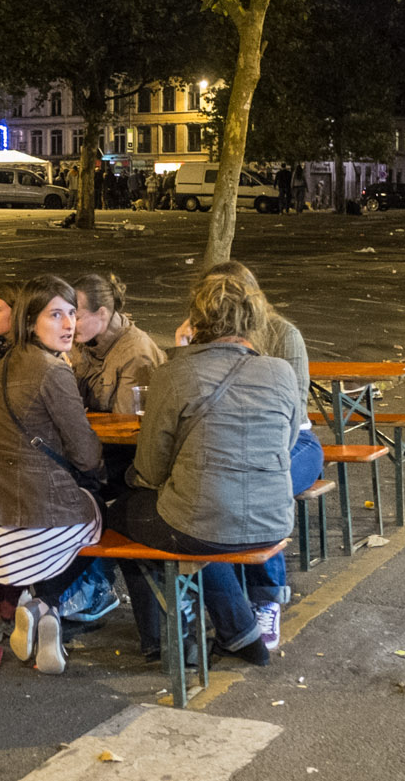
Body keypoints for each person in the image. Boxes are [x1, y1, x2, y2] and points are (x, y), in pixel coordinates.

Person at [115, 270, 300, 667]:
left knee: (121, 514)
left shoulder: (174, 374)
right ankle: (237, 631)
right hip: (275, 519)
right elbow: (285, 447)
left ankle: (164, 638)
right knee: (200, 522)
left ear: (196, 321)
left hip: (199, 524)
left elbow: (149, 469)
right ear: (253, 320)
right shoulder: (281, 372)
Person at [0, 274, 103, 674]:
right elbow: (86, 452)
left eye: (72, 313)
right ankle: (45, 602)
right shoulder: (53, 370)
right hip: (32, 510)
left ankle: (38, 607)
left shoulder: (7, 360)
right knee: (100, 518)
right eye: (56, 314)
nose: (69, 323)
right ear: (30, 320)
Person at [179, 261, 320, 649]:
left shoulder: (283, 336)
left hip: (296, 442)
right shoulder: (202, 339)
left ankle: (267, 597)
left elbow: (295, 412)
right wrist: (185, 351)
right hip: (232, 446)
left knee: (260, 483)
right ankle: (228, 598)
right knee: (215, 487)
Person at [70, 273, 166, 417]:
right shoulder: (80, 341)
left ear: (102, 313)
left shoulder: (136, 354)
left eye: (76, 317)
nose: (69, 324)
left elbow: (126, 425)